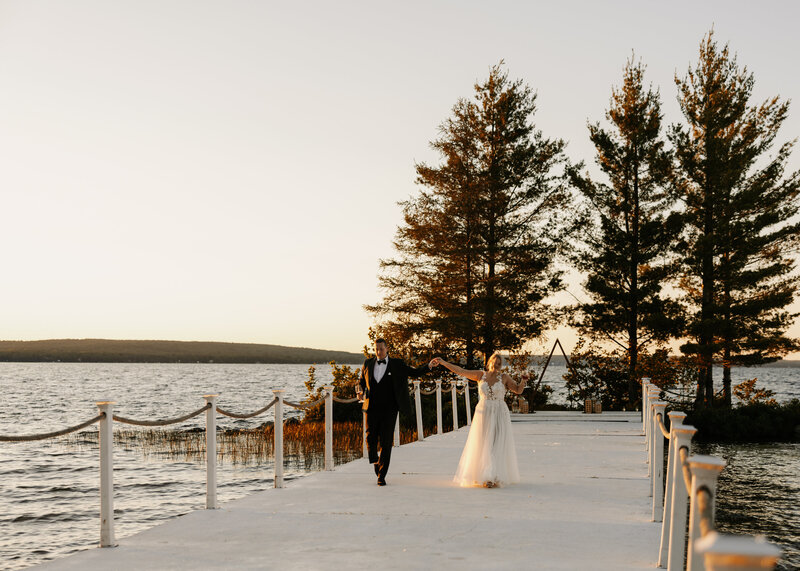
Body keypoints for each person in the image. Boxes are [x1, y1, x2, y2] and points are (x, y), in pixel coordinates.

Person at [431, 352, 528, 488]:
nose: (498, 364)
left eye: (500, 363)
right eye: (495, 361)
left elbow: (518, 390)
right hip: (484, 411)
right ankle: (484, 474)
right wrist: (443, 362)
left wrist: (523, 381)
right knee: (484, 443)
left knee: (496, 442)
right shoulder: (480, 375)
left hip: (500, 412)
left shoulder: (504, 377)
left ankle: (493, 476)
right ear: (490, 362)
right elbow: (461, 371)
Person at [357, 338, 435, 486]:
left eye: (381, 349)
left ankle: (382, 475)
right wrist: (360, 391)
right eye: (376, 349)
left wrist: (429, 366)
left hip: (389, 409)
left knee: (386, 442)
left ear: (387, 349)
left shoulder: (397, 364)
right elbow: (361, 382)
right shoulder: (367, 363)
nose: (378, 352)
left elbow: (415, 372)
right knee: (370, 437)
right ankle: (375, 460)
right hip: (371, 407)